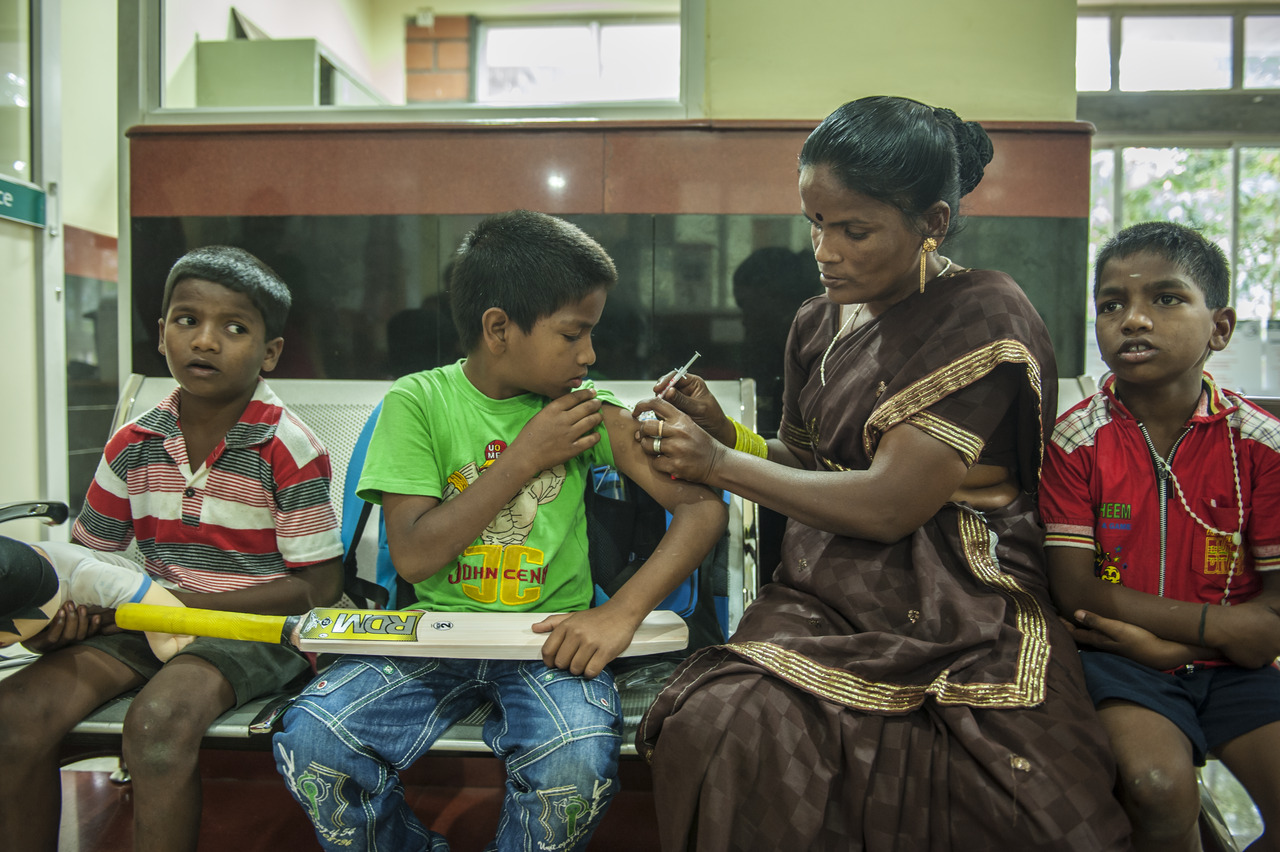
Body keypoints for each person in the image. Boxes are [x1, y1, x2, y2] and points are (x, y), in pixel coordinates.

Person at [630, 96, 1132, 851]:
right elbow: (811, 464)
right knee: (719, 722)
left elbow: (892, 502)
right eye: (815, 223)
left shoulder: (983, 313)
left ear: (931, 222)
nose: (824, 250)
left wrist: (719, 464)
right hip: (827, 587)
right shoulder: (816, 320)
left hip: (963, 591)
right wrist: (722, 432)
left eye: (853, 230)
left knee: (1021, 791)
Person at [271, 209, 727, 852]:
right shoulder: (419, 402)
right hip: (433, 637)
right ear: (498, 329)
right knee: (315, 740)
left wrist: (619, 614)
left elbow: (704, 508)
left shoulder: (588, 412)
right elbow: (416, 558)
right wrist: (522, 458)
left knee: (574, 767)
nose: (590, 355)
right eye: (574, 334)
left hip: (550, 642)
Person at [0, 245, 345, 852]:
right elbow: (92, 563)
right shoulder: (134, 442)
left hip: (255, 629)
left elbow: (319, 588)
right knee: (15, 715)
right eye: (187, 320)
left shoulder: (285, 445)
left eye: (233, 328)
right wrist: (62, 620)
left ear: (269, 353)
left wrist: (171, 602)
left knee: (159, 725)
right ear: (161, 335)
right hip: (144, 620)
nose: (205, 341)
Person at [1040, 221, 1280, 852]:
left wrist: (1190, 644)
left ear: (1220, 328)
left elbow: (1275, 615)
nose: (1134, 320)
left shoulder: (1259, 444)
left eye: (1166, 299)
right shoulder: (1076, 441)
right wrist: (1210, 633)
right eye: (1112, 304)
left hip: (1237, 671)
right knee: (1153, 786)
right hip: (1121, 663)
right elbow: (1074, 589)